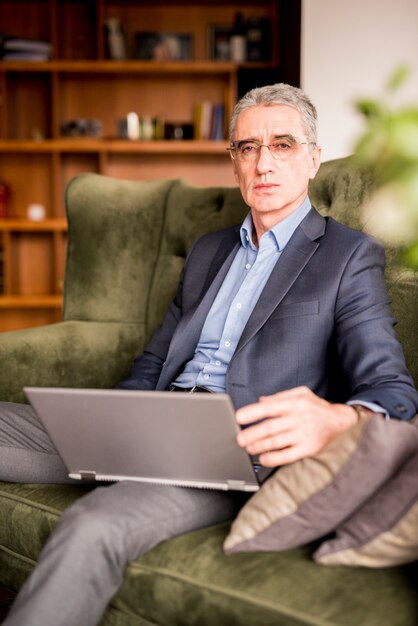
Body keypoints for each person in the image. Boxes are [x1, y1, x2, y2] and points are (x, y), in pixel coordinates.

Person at [1, 83, 417, 626]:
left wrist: (339, 420)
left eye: (283, 145)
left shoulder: (346, 256)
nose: (263, 162)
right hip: (152, 424)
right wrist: (117, 426)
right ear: (234, 162)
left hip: (233, 449)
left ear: (313, 159)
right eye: (247, 147)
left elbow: (393, 390)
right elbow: (153, 364)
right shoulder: (208, 251)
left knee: (93, 525)